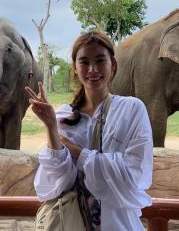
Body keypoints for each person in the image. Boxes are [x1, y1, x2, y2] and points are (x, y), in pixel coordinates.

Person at [25, 31, 153, 231]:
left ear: (113, 65)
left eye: (100, 60)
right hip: (73, 223)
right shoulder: (64, 117)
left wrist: (78, 153)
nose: (93, 69)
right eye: (84, 62)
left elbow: (135, 175)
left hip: (119, 224)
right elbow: (56, 182)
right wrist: (51, 126)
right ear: (75, 68)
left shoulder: (131, 110)